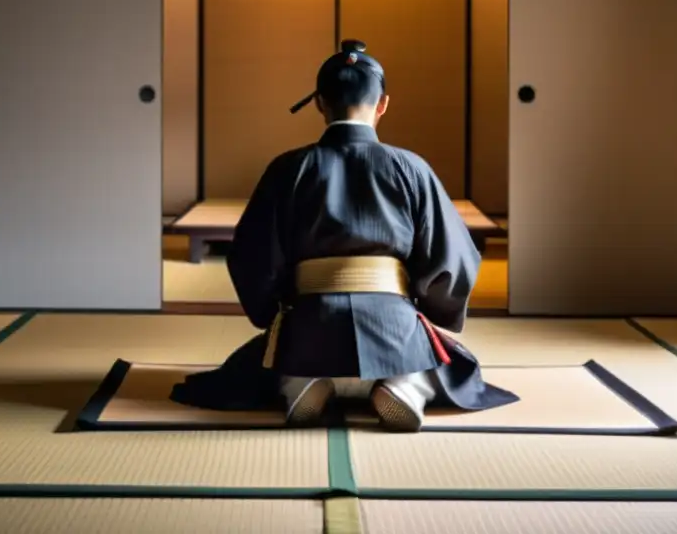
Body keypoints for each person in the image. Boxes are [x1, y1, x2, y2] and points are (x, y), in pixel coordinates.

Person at [171, 40, 518, 431]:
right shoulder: (411, 168)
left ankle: (301, 384)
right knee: (450, 365)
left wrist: (276, 308)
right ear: (383, 103)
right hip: (392, 333)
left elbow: (251, 256)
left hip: (309, 332)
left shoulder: (289, 168)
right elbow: (451, 257)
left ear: (320, 103)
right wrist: (429, 305)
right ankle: (405, 386)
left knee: (262, 366)